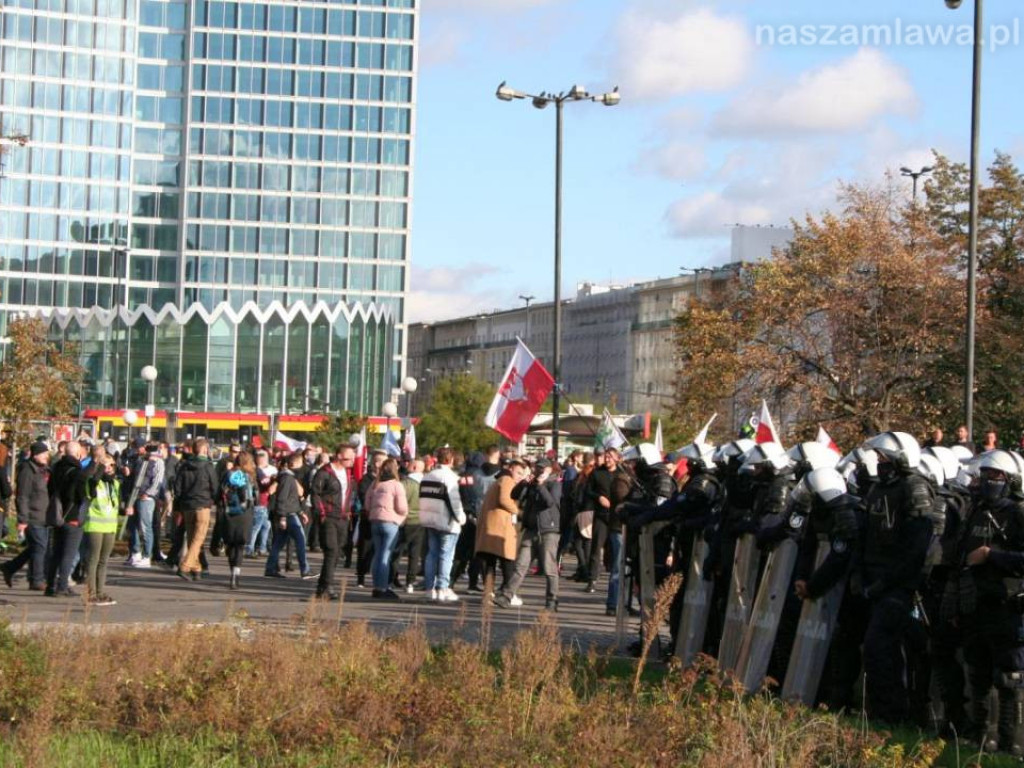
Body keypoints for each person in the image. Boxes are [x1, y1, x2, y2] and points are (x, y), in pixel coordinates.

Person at [943, 449, 1024, 753]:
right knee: (977, 674)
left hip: (1007, 606)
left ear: (1011, 480)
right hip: (975, 605)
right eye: (985, 474)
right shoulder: (976, 511)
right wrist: (954, 602)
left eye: (996, 475)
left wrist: (993, 556)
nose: (989, 480)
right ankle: (980, 738)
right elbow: (960, 559)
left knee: (1009, 678)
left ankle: (1010, 743)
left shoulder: (1018, 513)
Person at [857, 431, 935, 726]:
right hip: (874, 580)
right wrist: (861, 576)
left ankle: (892, 714)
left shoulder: (914, 488)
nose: (878, 463)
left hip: (897, 586)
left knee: (880, 646)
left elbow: (916, 548)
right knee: (879, 650)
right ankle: (882, 713)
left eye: (883, 458)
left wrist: (888, 582)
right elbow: (866, 535)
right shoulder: (878, 489)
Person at [497, 458, 562, 611]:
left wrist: (540, 485)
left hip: (548, 530)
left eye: (542, 469)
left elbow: (550, 502)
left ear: (549, 470)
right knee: (520, 565)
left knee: (549, 568)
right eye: (537, 468)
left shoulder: (554, 484)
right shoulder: (532, 484)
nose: (539, 471)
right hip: (531, 529)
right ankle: (506, 596)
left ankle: (552, 600)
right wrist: (524, 483)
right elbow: (514, 495)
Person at [583, 448, 631, 608]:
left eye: (611, 457)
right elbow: (588, 491)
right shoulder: (597, 473)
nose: (607, 459)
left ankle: (613, 583)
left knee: (614, 553)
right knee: (596, 547)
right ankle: (592, 579)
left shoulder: (622, 474)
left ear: (617, 458)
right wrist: (599, 497)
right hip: (601, 516)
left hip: (617, 518)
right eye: (606, 457)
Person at [2, 441, 52, 591]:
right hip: (32, 515)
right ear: (35, 455)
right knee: (40, 547)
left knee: (36, 547)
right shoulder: (27, 471)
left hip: (43, 514)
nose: (46, 456)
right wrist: (22, 519)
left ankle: (10, 567)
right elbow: (22, 496)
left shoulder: (44, 470)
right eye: (43, 454)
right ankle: (37, 580)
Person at [418, 447, 466, 602]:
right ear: (450, 460)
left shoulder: (427, 476)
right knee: (446, 555)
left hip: (430, 520)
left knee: (431, 554)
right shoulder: (450, 478)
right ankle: (442, 588)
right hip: (447, 521)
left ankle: (429, 589)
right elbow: (455, 503)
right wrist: (461, 518)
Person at [476, 458, 527, 601]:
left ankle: (489, 592)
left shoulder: (498, 479)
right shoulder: (507, 480)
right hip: (500, 527)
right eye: (518, 472)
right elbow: (504, 499)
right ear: (510, 469)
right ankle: (508, 594)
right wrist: (519, 512)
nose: (520, 477)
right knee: (507, 560)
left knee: (489, 562)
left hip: (490, 525)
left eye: (522, 474)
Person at [310, 444, 356, 600]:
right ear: (339, 456)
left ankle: (322, 586)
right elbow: (315, 494)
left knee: (336, 553)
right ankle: (328, 586)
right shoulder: (324, 473)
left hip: (342, 517)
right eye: (349, 458)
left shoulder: (348, 473)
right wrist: (321, 513)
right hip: (328, 516)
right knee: (331, 550)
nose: (352, 461)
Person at [173, 438, 220, 581]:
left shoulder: (184, 466)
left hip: (187, 506)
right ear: (205, 450)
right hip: (202, 505)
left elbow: (177, 488)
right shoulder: (208, 466)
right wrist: (213, 500)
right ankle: (185, 566)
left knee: (192, 538)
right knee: (198, 539)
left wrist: (180, 504)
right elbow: (215, 487)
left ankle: (196, 568)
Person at [44, 441, 87, 597]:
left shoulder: (56, 468)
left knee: (56, 552)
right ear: (78, 455)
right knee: (69, 554)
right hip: (72, 517)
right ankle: (62, 586)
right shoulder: (77, 472)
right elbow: (79, 496)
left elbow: (50, 490)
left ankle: (50, 585)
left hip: (57, 515)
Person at [265, 452, 316, 580]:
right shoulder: (287, 478)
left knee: (278, 544)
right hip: (288, 515)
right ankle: (305, 570)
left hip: (290, 513)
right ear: (295, 463)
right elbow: (282, 498)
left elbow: (291, 499)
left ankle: (270, 568)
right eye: (301, 463)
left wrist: (301, 512)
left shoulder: (287, 477)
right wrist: (283, 517)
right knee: (300, 540)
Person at [81, 453, 120, 606]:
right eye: (106, 465)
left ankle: (100, 592)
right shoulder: (93, 481)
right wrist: (100, 467)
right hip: (95, 525)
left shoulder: (115, 484)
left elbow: (115, 504)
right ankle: (90, 594)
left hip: (110, 526)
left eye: (112, 465)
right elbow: (92, 485)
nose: (109, 468)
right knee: (93, 559)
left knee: (104, 561)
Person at [367, 457, 408, 599]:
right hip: (391, 522)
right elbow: (402, 507)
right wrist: (403, 515)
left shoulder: (374, 484)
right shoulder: (396, 485)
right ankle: (383, 588)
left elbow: (367, 504)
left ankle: (376, 586)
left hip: (375, 521)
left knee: (378, 555)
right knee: (385, 555)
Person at [222, 452, 256, 590]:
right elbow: (252, 495)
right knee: (240, 546)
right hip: (244, 512)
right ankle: (236, 575)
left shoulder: (228, 474)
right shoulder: (248, 476)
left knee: (230, 544)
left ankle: (232, 572)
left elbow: (221, 491)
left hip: (229, 511)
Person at [127, 444, 164, 569]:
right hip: (136, 496)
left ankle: (147, 556)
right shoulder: (141, 460)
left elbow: (157, 481)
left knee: (145, 526)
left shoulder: (158, 462)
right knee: (133, 525)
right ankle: (136, 553)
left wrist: (148, 493)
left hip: (146, 499)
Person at [399, 459, 424, 593]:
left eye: (409, 464)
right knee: (415, 554)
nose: (406, 465)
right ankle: (410, 582)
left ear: (414, 467)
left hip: (405, 521)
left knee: (397, 552)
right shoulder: (426, 483)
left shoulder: (405, 484)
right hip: (421, 521)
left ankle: (391, 579)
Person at [246, 449, 275, 558]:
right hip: (260, 502)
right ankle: (249, 549)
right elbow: (264, 483)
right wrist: (273, 479)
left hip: (262, 502)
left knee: (266, 526)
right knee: (256, 527)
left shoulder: (254, 470)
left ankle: (262, 548)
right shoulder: (258, 471)